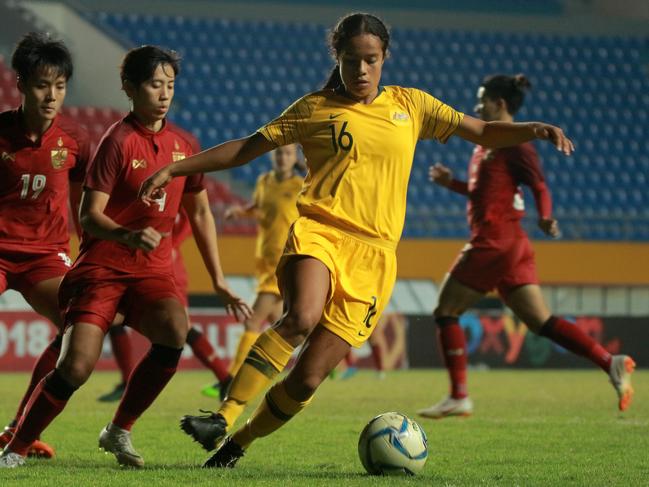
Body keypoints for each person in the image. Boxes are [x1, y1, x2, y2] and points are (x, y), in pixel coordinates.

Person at [138, 13, 574, 469]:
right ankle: (223, 416)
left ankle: (237, 444)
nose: (361, 70)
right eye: (351, 60)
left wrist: (532, 129)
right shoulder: (313, 109)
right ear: (338, 58)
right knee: (301, 316)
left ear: (385, 58)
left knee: (307, 378)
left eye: (370, 60)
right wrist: (175, 168)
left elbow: (482, 131)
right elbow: (247, 147)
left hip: (376, 257)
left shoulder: (413, 106)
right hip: (320, 232)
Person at [0, 45, 250, 469]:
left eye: (60, 87)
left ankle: (38, 431)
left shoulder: (95, 140)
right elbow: (90, 214)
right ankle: (17, 445)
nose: (51, 95)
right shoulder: (115, 141)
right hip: (79, 264)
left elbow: (200, 212)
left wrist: (220, 279)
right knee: (77, 362)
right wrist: (114, 240)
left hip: (59, 256)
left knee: (170, 329)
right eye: (156, 84)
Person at [416, 74, 635, 419]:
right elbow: (486, 194)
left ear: (499, 104)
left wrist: (546, 217)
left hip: (496, 239)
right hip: (512, 245)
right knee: (541, 321)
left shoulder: (515, 144)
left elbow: (540, 185)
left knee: (446, 310)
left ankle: (459, 395)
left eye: (482, 99)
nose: (477, 106)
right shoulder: (485, 145)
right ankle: (610, 362)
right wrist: (452, 183)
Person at [0, 32, 90, 459]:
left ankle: (21, 428)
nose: (51, 95)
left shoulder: (75, 141)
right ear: (19, 83)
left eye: (59, 86)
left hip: (45, 257)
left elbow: (83, 204)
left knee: (81, 325)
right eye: (41, 85)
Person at [98, 203, 233, 403]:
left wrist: (169, 246)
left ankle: (226, 379)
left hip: (166, 266)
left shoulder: (180, 187)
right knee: (113, 318)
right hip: (136, 261)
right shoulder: (150, 184)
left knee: (182, 327)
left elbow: (195, 214)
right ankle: (127, 381)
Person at [208, 143, 302, 397]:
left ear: (295, 158)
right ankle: (315, 365)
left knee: (252, 321)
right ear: (272, 156)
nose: (282, 157)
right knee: (279, 326)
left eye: (287, 153)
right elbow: (259, 207)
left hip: (284, 261)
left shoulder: (300, 187)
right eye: (279, 153)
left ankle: (229, 378)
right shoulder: (264, 182)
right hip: (264, 262)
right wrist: (241, 212)